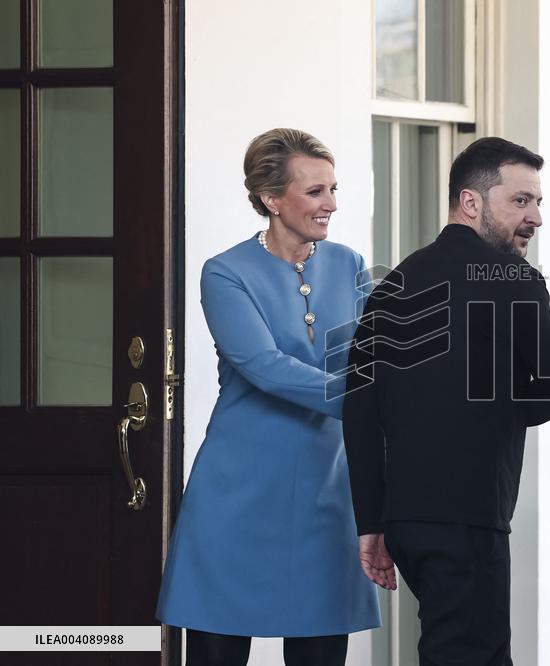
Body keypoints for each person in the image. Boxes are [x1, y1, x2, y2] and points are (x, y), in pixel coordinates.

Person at [343, 137, 550, 666]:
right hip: (469, 517)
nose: (535, 217)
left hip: (404, 520)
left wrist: (372, 522)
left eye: (538, 202)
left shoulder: (393, 285)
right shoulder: (513, 278)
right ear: (471, 202)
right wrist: (489, 410)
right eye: (521, 201)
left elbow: (359, 408)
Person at [156, 128, 380, 666]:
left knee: (321, 650)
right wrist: (367, 401)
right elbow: (263, 367)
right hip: (238, 496)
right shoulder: (225, 272)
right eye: (315, 192)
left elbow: (373, 361)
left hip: (327, 496)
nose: (330, 204)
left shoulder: (349, 264)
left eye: (333, 189)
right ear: (271, 199)